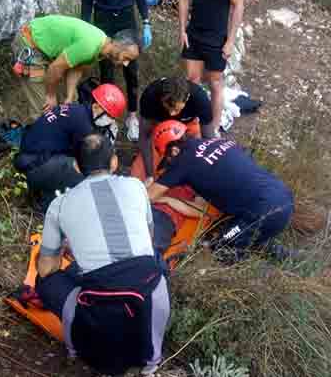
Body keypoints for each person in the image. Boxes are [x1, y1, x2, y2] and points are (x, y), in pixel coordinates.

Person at [34, 134, 168, 376]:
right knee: (154, 262)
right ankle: (151, 364)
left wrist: (66, 248)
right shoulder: (137, 186)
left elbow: (46, 269)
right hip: (147, 291)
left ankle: (76, 342)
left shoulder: (60, 205)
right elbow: (147, 238)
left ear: (76, 166)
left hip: (98, 307)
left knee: (45, 281)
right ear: (114, 161)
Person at [147, 121, 294, 262]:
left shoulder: (183, 162)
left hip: (264, 211)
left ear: (174, 150)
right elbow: (201, 210)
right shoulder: (219, 141)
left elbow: (147, 197)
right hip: (283, 196)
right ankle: (272, 249)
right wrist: (167, 200)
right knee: (241, 230)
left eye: (168, 160)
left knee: (218, 249)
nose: (169, 165)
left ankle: (261, 274)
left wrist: (151, 188)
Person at [81, 0, 151, 142]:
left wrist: (146, 21)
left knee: (131, 72)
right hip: (103, 20)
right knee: (107, 72)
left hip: (126, 18)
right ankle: (108, 119)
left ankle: (132, 116)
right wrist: (85, 27)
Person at [179, 0, 245, 137]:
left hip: (217, 36)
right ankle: (193, 124)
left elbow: (237, 6)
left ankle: (213, 128)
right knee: (192, 81)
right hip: (194, 32)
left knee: (216, 82)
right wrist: (182, 29)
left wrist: (230, 41)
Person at [14, 84, 127, 211]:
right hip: (32, 164)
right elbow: (90, 162)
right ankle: (47, 203)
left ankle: (43, 191)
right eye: (110, 116)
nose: (111, 121)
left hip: (31, 156)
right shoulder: (83, 126)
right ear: (97, 107)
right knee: (80, 169)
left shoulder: (79, 111)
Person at [11, 14, 139, 120]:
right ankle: (40, 145)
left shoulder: (100, 48)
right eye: (127, 58)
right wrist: (50, 96)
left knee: (71, 104)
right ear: (118, 44)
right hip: (30, 42)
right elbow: (55, 69)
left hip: (46, 50)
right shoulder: (90, 46)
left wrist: (70, 96)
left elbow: (76, 69)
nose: (126, 64)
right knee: (45, 111)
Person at [134, 76, 213, 182]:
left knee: (198, 169)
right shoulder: (150, 95)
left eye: (176, 109)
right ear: (161, 97)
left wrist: (207, 166)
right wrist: (149, 176)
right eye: (168, 107)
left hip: (188, 128)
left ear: (187, 97)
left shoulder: (200, 99)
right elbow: (144, 136)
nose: (171, 114)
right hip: (161, 130)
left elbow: (208, 140)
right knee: (139, 174)